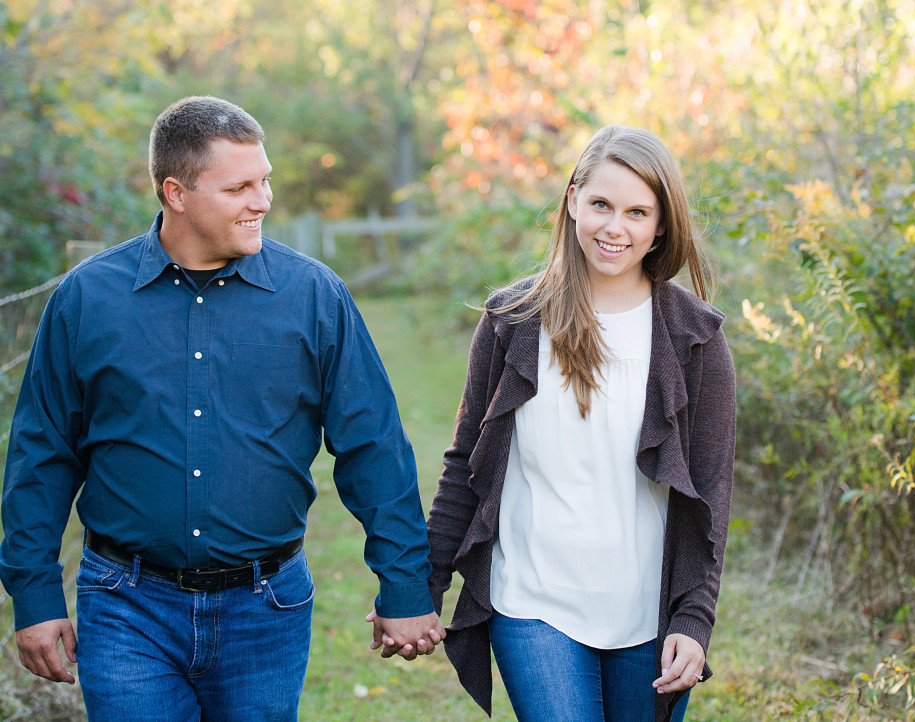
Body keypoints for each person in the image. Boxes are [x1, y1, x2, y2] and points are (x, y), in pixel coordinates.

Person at [0, 96, 443, 721]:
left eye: (264, 181)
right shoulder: (87, 299)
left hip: (266, 608)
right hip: (125, 605)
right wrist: (36, 595)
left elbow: (374, 447)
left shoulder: (313, 296)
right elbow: (41, 454)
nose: (262, 201)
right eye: (238, 187)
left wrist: (404, 585)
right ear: (175, 193)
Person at [426, 125, 735, 722]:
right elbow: (466, 464)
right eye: (600, 204)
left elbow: (710, 491)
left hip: (647, 611)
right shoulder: (512, 321)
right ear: (572, 201)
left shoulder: (695, 338)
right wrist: (422, 586)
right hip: (533, 601)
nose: (614, 227)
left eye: (637, 212)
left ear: (660, 225)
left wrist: (694, 620)